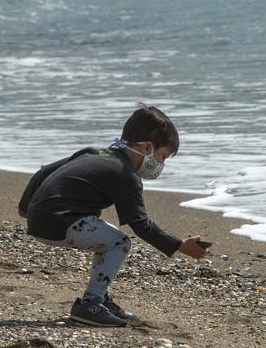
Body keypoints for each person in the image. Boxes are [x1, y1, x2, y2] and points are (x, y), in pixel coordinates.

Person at [17, 105, 209, 327]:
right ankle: (89, 304)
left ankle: (101, 297)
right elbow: (141, 224)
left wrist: (25, 207)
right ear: (148, 147)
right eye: (163, 157)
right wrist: (179, 245)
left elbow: (43, 172)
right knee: (120, 242)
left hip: (43, 219)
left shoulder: (93, 152)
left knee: (108, 237)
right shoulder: (124, 174)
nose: (161, 165)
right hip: (59, 222)